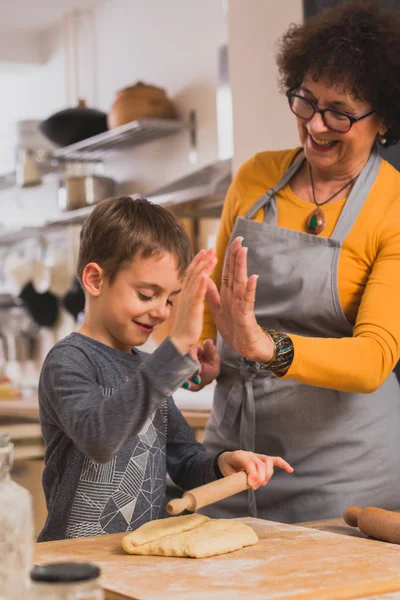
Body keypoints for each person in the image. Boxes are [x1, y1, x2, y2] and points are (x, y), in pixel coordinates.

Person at [197, 0, 400, 523]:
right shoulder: (253, 179)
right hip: (233, 466)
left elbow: (374, 357)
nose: (315, 124)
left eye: (340, 111)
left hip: (343, 480)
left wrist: (267, 347)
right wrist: (198, 360)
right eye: (306, 101)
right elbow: (214, 304)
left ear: (385, 119)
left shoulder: (394, 205)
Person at [37, 196, 293, 542]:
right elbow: (99, 439)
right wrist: (175, 349)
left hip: (139, 554)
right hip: (73, 562)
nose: (160, 312)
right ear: (95, 280)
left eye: (171, 299)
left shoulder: (146, 367)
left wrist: (222, 464)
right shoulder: (68, 360)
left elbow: (184, 460)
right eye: (147, 295)